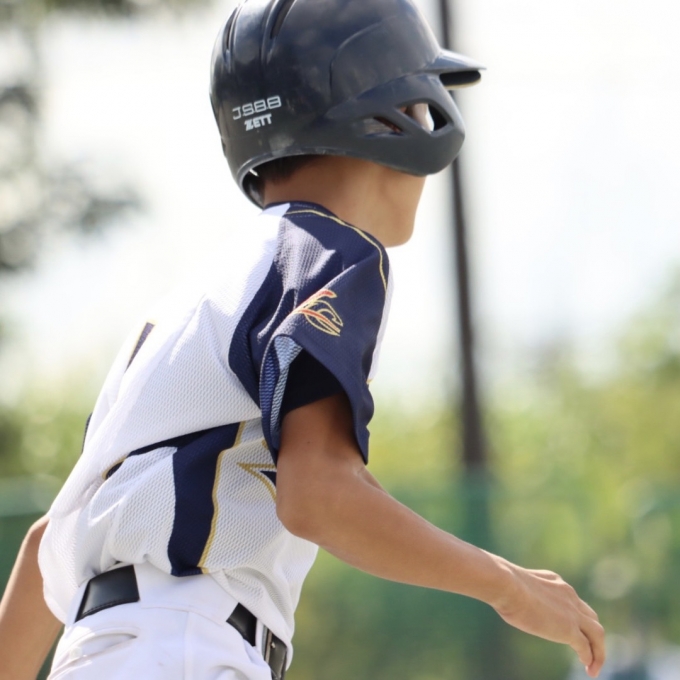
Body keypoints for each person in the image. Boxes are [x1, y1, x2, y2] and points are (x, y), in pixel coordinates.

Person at [0, 0, 606, 678]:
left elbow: (46, 546)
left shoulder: (185, 305)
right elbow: (317, 493)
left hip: (99, 651)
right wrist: (507, 584)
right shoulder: (328, 249)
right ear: (389, 115)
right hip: (189, 647)